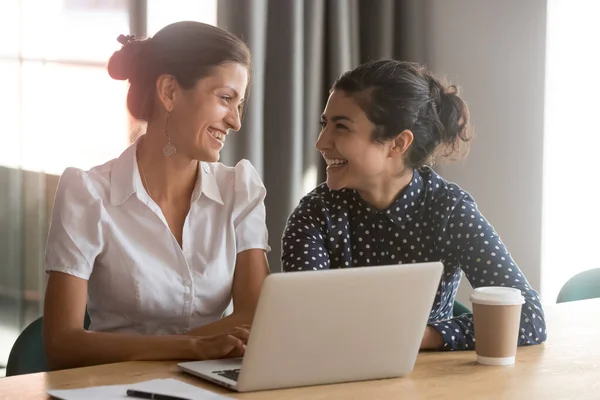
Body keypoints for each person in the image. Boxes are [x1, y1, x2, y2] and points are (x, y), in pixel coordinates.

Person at [43, 21, 271, 370]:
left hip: (213, 387)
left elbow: (256, 316)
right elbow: (63, 342)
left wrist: (195, 348)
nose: (235, 121)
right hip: (113, 388)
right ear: (169, 91)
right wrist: (192, 347)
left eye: (239, 104)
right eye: (225, 98)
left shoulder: (239, 189)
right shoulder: (88, 194)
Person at [281, 60, 546, 351]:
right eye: (325, 124)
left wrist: (419, 336)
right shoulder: (314, 214)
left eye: (341, 127)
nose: (321, 142)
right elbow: (304, 322)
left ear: (397, 143)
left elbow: (529, 317)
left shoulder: (449, 210)